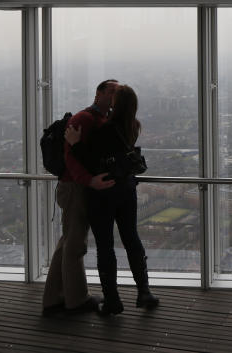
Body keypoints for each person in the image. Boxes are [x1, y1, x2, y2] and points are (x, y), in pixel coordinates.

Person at [66, 84, 159, 315]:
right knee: (131, 239)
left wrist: (75, 144)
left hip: (103, 193)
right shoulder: (133, 126)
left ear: (115, 104)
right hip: (126, 190)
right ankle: (144, 291)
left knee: (105, 247)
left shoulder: (105, 129)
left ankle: (112, 300)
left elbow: (91, 160)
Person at [41, 79, 118, 315]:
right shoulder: (84, 119)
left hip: (74, 186)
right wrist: (89, 181)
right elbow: (70, 158)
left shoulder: (98, 118)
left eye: (118, 93)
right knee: (75, 245)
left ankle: (54, 298)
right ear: (99, 93)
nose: (115, 97)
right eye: (111, 91)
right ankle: (76, 300)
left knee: (68, 243)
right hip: (75, 188)